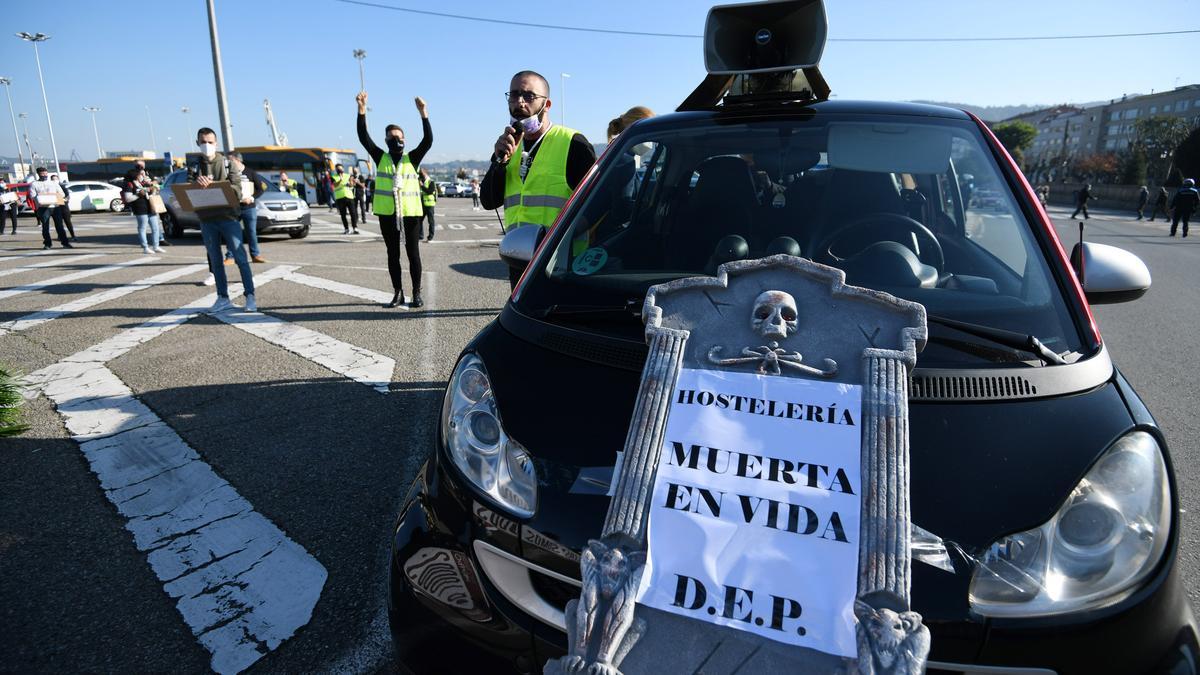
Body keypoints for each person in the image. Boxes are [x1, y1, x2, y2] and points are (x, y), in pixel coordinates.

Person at [480, 70, 596, 287]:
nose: (520, 102)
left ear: (547, 104)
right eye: (513, 95)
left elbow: (599, 205)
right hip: (519, 261)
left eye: (529, 96)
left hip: (562, 264)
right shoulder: (509, 146)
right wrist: (499, 161)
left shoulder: (573, 143)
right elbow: (488, 201)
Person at [356, 89, 433, 308]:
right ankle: (398, 292)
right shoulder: (381, 157)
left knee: (413, 254)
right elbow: (364, 137)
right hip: (387, 214)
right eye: (391, 137)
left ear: (405, 139)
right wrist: (361, 110)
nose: (396, 139)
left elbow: (428, 140)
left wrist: (423, 113)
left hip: (410, 214)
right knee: (393, 254)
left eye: (399, 136)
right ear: (386, 140)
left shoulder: (412, 159)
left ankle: (416, 293)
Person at [188, 126, 257, 313]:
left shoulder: (228, 164)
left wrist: (216, 187)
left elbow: (237, 190)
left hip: (228, 218)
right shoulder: (194, 166)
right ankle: (222, 297)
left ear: (216, 143)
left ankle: (250, 296)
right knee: (215, 261)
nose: (207, 145)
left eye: (210, 142)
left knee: (240, 258)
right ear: (197, 143)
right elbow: (187, 190)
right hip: (207, 219)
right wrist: (195, 185)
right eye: (203, 142)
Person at [225, 151, 267, 263]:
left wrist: (251, 198)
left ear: (238, 160)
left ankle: (255, 255)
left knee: (251, 232)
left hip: (249, 207)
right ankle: (230, 256)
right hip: (233, 207)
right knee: (231, 232)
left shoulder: (251, 172)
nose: (228, 163)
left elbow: (261, 189)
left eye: (230, 160)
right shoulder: (228, 173)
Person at [122, 167, 163, 254]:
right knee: (142, 228)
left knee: (155, 228)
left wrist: (153, 189)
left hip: (151, 207)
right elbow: (128, 198)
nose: (143, 175)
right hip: (140, 209)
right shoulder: (129, 184)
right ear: (135, 175)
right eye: (141, 174)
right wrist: (138, 195)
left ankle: (156, 246)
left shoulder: (144, 183)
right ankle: (145, 247)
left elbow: (153, 191)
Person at [28, 167, 71, 249]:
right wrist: (41, 197)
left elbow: (61, 193)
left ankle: (65, 243)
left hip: (55, 207)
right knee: (45, 226)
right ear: (38, 174)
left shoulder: (53, 183)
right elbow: (32, 195)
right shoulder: (34, 184)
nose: (44, 175)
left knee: (60, 226)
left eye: (45, 173)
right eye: (42, 174)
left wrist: (54, 196)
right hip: (43, 207)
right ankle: (47, 244)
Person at [332, 163, 359, 234]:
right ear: (336, 170)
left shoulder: (348, 175)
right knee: (343, 215)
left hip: (349, 196)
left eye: (341, 168)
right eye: (338, 169)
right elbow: (335, 185)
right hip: (340, 198)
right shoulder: (333, 176)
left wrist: (352, 183)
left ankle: (355, 228)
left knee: (353, 213)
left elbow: (351, 184)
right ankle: (346, 229)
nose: (340, 170)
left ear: (343, 169)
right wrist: (340, 180)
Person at [418, 168, 437, 241]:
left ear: (425, 173)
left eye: (422, 174)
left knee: (431, 221)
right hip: (422, 204)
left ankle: (430, 236)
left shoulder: (431, 182)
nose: (420, 175)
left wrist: (422, 186)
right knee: (419, 220)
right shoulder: (421, 181)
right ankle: (420, 235)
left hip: (429, 205)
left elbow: (430, 191)